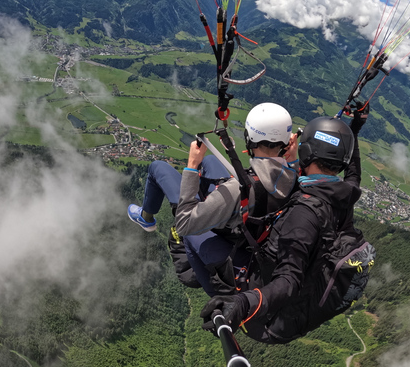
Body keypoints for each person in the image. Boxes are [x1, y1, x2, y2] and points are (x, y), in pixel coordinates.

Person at [200, 105, 375, 344]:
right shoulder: (343, 194)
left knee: (205, 246)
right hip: (300, 309)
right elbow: (353, 175)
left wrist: (243, 303)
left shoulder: (304, 214)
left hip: (267, 322)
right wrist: (353, 130)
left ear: (308, 155)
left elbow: (289, 280)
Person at [127, 102, 299, 292]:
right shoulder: (295, 178)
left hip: (232, 242)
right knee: (210, 161)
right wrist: (294, 159)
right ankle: (206, 204)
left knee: (157, 167)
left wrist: (192, 167)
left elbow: (184, 224)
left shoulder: (238, 189)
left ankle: (147, 219)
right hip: (251, 233)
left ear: (249, 139)